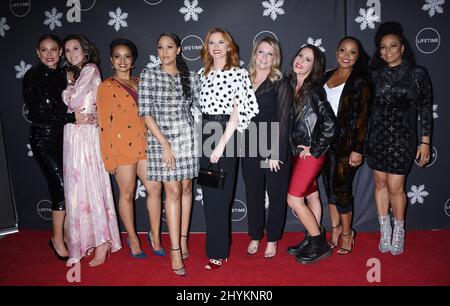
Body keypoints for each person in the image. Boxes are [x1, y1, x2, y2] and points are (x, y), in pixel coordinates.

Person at [366, 21, 432, 255]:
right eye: (383, 47)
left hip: (403, 139)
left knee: (396, 187)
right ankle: (384, 229)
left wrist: (425, 141)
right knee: (380, 183)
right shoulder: (374, 75)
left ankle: (399, 230)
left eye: (393, 46)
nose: (388, 51)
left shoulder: (417, 74)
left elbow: (425, 109)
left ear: (402, 47)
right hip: (377, 138)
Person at [22, 34, 90, 261]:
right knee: (60, 186)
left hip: (67, 138)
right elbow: (40, 111)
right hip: (43, 138)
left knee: (70, 187)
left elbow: (79, 99)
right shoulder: (32, 76)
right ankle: (57, 239)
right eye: (44, 50)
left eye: (54, 50)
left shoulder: (66, 74)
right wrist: (72, 118)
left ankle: (72, 235)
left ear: (60, 52)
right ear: (38, 53)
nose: (49, 54)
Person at [138, 32, 201, 276]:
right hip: (160, 141)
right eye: (160, 47)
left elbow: (199, 109)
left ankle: (183, 239)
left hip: (187, 139)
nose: (164, 52)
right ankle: (175, 250)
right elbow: (145, 113)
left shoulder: (192, 77)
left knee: (186, 189)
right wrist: (165, 144)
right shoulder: (149, 75)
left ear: (179, 50)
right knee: (172, 191)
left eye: (169, 47)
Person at [199, 28, 258, 270]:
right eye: (211, 42)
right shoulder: (202, 74)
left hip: (226, 135)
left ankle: (218, 252)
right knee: (210, 198)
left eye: (221, 42)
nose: (216, 46)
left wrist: (220, 146)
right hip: (204, 133)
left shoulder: (238, 74)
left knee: (221, 198)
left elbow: (237, 114)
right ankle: (216, 246)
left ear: (229, 46)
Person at [97, 38, 162, 259]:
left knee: (155, 189)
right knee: (127, 193)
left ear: (132, 59)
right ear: (111, 60)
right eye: (117, 56)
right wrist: (109, 158)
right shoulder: (106, 87)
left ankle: (155, 236)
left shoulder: (141, 81)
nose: (122, 60)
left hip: (145, 145)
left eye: (126, 56)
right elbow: (104, 124)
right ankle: (133, 238)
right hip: (122, 149)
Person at [63, 34, 121, 267]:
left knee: (93, 186)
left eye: (75, 48)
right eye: (67, 50)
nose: (71, 53)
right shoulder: (73, 73)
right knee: (77, 190)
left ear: (85, 50)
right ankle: (84, 241)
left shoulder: (90, 69)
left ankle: (103, 242)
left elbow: (74, 100)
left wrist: (68, 87)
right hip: (72, 134)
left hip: (87, 136)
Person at [241, 37, 292, 258]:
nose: (264, 57)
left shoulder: (281, 82)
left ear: (275, 57)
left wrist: (275, 152)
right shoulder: (243, 78)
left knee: (276, 194)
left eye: (269, 54)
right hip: (249, 143)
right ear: (254, 54)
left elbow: (283, 119)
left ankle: (272, 239)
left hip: (273, 144)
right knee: (253, 194)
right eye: (261, 52)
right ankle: (255, 235)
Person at [286, 44, 337, 264]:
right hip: (297, 153)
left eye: (308, 59)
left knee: (294, 200)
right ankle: (311, 239)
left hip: (311, 155)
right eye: (300, 55)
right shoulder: (292, 84)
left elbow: (330, 124)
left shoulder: (314, 89)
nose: (301, 61)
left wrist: (315, 148)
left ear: (314, 66)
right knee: (312, 196)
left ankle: (319, 244)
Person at [321, 36, 371, 255]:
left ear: (358, 56)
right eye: (343, 50)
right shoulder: (325, 76)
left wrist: (358, 148)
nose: (346, 55)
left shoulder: (361, 81)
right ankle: (335, 230)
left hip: (347, 145)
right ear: (336, 52)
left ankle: (348, 234)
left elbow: (363, 117)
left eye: (352, 52)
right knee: (329, 188)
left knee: (341, 190)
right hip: (324, 143)